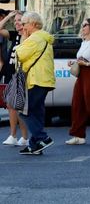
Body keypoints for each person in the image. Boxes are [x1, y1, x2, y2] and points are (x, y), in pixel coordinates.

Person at [15, 11, 55, 156]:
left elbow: (19, 54)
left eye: (24, 24)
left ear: (32, 24)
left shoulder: (34, 39)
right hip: (43, 80)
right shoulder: (43, 37)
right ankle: (35, 145)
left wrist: (23, 39)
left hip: (36, 80)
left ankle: (43, 138)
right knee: (37, 112)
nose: (23, 27)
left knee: (24, 111)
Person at [0, 11, 29, 147]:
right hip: (9, 73)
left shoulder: (29, 37)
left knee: (17, 106)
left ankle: (21, 136)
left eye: (19, 20)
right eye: (15, 20)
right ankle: (16, 136)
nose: (16, 23)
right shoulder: (15, 35)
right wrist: (8, 17)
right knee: (11, 106)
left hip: (20, 75)